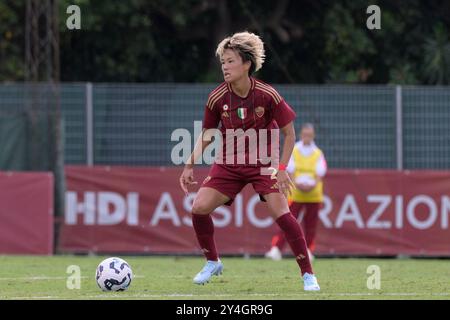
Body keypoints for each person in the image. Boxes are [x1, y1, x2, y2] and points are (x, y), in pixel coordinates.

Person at [179, 31, 320, 291]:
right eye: (223, 62)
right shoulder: (217, 97)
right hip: (228, 163)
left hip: (263, 162)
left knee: (282, 214)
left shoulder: (268, 95)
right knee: (199, 207)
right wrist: (189, 164)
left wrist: (281, 168)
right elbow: (208, 134)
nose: (225, 66)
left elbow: (289, 133)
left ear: (247, 64)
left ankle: (308, 275)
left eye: (230, 61)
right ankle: (212, 262)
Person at [265, 123, 327, 262]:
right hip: (296, 193)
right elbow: (289, 169)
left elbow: (320, 173)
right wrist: (297, 183)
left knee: (311, 226)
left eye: (309, 135)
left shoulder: (318, 153)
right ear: (301, 135)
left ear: (313, 136)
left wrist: (311, 185)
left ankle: (309, 251)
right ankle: (276, 249)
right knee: (287, 221)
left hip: (313, 195)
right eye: (305, 134)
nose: (307, 137)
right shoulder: (294, 150)